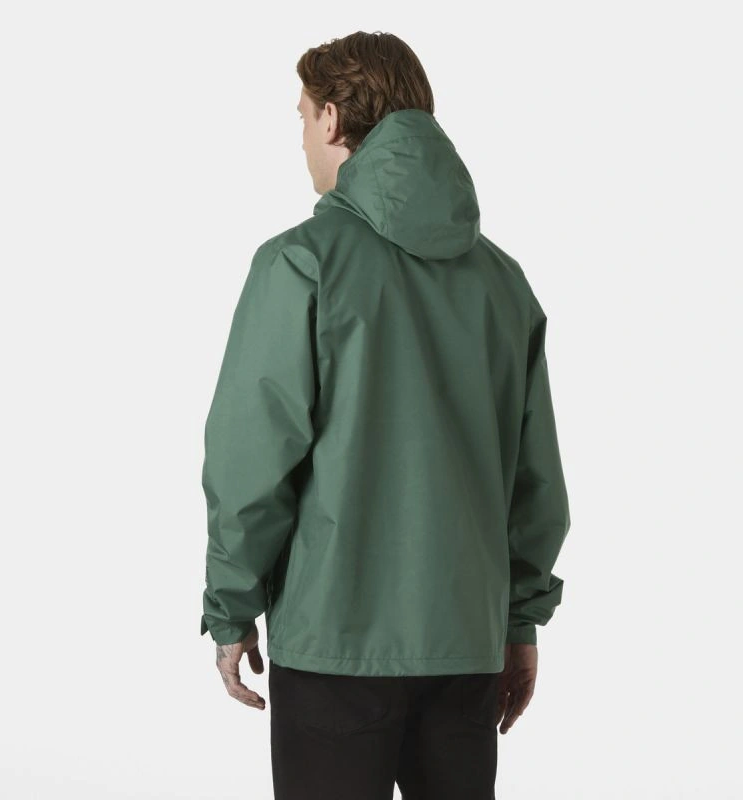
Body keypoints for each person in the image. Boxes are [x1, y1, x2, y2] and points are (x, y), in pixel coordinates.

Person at [199, 30, 571, 800]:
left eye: (303, 117)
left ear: (334, 119)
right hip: (466, 646)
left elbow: (250, 462)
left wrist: (230, 608)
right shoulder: (502, 282)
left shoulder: (301, 262)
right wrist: (518, 621)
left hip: (333, 649)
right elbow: (535, 481)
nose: (303, 138)